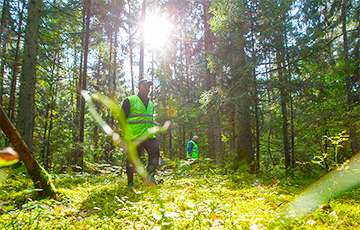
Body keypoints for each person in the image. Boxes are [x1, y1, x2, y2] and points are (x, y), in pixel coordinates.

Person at [121, 79, 160, 188]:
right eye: (144, 86)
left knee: (155, 153)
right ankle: (130, 183)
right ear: (139, 87)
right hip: (134, 136)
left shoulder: (151, 104)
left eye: (148, 87)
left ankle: (149, 177)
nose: (147, 89)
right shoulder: (130, 100)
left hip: (148, 136)